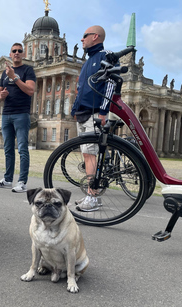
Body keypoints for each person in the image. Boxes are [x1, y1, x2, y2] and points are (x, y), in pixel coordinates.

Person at [70, 25, 116, 211]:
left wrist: (104, 112)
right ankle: (91, 195)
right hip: (83, 113)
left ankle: (93, 197)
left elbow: (111, 83)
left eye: (84, 36)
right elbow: (80, 90)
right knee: (87, 155)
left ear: (95, 37)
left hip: (96, 112)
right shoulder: (87, 61)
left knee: (91, 156)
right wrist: (74, 109)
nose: (82, 39)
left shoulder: (106, 56)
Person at [0, 43, 36, 193]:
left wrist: (14, 77)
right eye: (14, 51)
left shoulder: (28, 70)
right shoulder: (5, 73)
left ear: (23, 54)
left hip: (21, 114)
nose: (17, 53)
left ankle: (22, 182)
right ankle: (8, 179)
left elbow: (30, 90)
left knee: (23, 149)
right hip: (6, 114)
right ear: (10, 54)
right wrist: (0, 96)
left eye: (19, 51)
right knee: (8, 149)